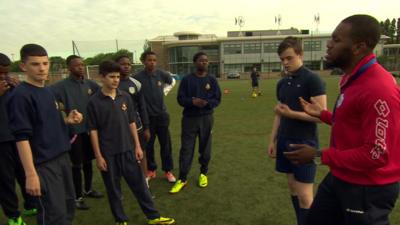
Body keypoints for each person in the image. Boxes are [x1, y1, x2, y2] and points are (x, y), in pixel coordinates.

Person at [284, 14, 400, 225]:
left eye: (336, 40)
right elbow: (353, 123)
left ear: (358, 47)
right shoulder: (352, 78)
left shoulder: (378, 88)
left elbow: (376, 154)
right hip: (341, 177)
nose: (328, 45)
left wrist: (319, 155)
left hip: (368, 188)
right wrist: (324, 115)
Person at [87, 60, 175, 225]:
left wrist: (137, 146)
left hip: (128, 150)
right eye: (111, 76)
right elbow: (93, 130)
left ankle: (153, 217)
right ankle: (120, 220)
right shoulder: (94, 102)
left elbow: (132, 122)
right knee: (114, 190)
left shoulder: (125, 96)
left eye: (118, 77)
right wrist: (98, 156)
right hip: (108, 154)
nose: (115, 80)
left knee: (140, 185)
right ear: (101, 77)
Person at [7, 44, 82, 225]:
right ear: (23, 66)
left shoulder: (48, 91)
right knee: (53, 215)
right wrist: (31, 174)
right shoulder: (20, 96)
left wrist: (67, 120)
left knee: (68, 207)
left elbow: (45, 123)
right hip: (43, 164)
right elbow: (21, 137)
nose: (41, 68)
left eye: (45, 63)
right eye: (35, 64)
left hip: (62, 157)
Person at [266, 37, 326, 225]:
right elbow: (279, 113)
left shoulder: (313, 79)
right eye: (282, 59)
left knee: (305, 196)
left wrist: (292, 114)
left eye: (289, 58)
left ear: (300, 55)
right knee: (293, 189)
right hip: (284, 141)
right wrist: (272, 140)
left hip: (304, 144)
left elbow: (321, 117)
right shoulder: (282, 83)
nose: (285, 63)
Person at [50, 55, 103, 210]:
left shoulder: (90, 84)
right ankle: (77, 197)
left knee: (88, 162)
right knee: (76, 165)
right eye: (76, 65)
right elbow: (47, 99)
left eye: (82, 64)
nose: (80, 67)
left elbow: (101, 94)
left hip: (89, 130)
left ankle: (88, 189)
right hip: (73, 132)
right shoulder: (60, 86)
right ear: (69, 68)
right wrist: (61, 110)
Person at [170, 52, 221, 194]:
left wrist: (206, 103)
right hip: (189, 119)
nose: (204, 63)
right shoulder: (187, 80)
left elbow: (217, 99)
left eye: (206, 61)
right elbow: (180, 99)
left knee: (205, 148)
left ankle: (203, 173)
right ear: (195, 63)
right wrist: (192, 101)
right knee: (186, 149)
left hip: (207, 118)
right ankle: (182, 178)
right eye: (201, 60)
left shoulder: (212, 80)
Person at [0, 53, 37, 225]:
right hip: (1, 142)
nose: (3, 77)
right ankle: (13, 216)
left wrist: (19, 87)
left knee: (24, 172)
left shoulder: (12, 85)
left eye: (5, 73)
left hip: (17, 137)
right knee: (5, 179)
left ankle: (31, 204)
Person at [135, 51, 176, 183]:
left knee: (166, 145)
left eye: (154, 60)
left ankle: (168, 171)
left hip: (162, 116)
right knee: (148, 145)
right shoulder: (137, 77)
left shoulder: (161, 74)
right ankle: (151, 170)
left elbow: (172, 81)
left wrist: (164, 91)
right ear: (143, 61)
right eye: (149, 60)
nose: (152, 62)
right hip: (147, 118)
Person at [116, 55, 150, 177]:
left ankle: (145, 180)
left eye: (128, 64)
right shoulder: (113, 82)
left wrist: (146, 127)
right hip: (118, 127)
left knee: (141, 152)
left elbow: (142, 107)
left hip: (136, 125)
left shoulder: (136, 84)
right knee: (121, 154)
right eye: (123, 64)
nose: (126, 66)